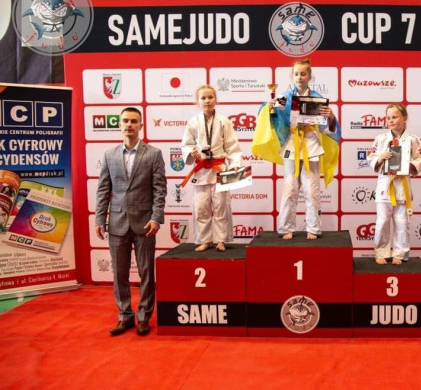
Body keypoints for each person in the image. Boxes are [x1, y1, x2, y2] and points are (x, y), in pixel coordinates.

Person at [95, 107, 167, 336]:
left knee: (147, 273)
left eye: (134, 121)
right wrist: (99, 218)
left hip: (145, 223)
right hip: (117, 223)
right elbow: (103, 189)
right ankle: (124, 316)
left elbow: (160, 189)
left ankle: (144, 317)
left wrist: (156, 218)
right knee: (119, 274)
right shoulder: (109, 155)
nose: (129, 125)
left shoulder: (153, 154)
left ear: (141, 125)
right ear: (119, 125)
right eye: (125, 121)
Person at [251, 58, 340, 240]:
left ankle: (313, 228)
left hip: (311, 145)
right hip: (292, 144)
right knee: (290, 189)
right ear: (292, 76)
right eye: (296, 74)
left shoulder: (317, 98)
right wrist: (268, 108)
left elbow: (327, 128)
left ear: (309, 76)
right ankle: (286, 227)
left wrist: (331, 116)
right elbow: (269, 116)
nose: (299, 77)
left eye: (303, 74)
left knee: (312, 189)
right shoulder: (285, 97)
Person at [181, 85, 242, 252]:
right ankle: (205, 240)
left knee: (221, 205)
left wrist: (235, 165)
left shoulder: (224, 122)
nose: (207, 101)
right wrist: (191, 152)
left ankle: (221, 239)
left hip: (220, 169)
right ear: (197, 101)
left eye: (210, 97)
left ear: (216, 100)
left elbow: (232, 146)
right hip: (201, 170)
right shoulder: (193, 123)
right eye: (203, 98)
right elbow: (186, 144)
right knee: (201, 207)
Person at [367, 103, 421, 264]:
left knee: (402, 223)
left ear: (405, 118)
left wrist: (410, 166)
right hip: (385, 187)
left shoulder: (413, 139)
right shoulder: (381, 139)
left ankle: (399, 253)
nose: (391, 120)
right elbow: (371, 157)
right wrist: (381, 158)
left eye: (395, 117)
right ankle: (381, 252)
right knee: (382, 222)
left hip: (402, 187)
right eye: (388, 118)